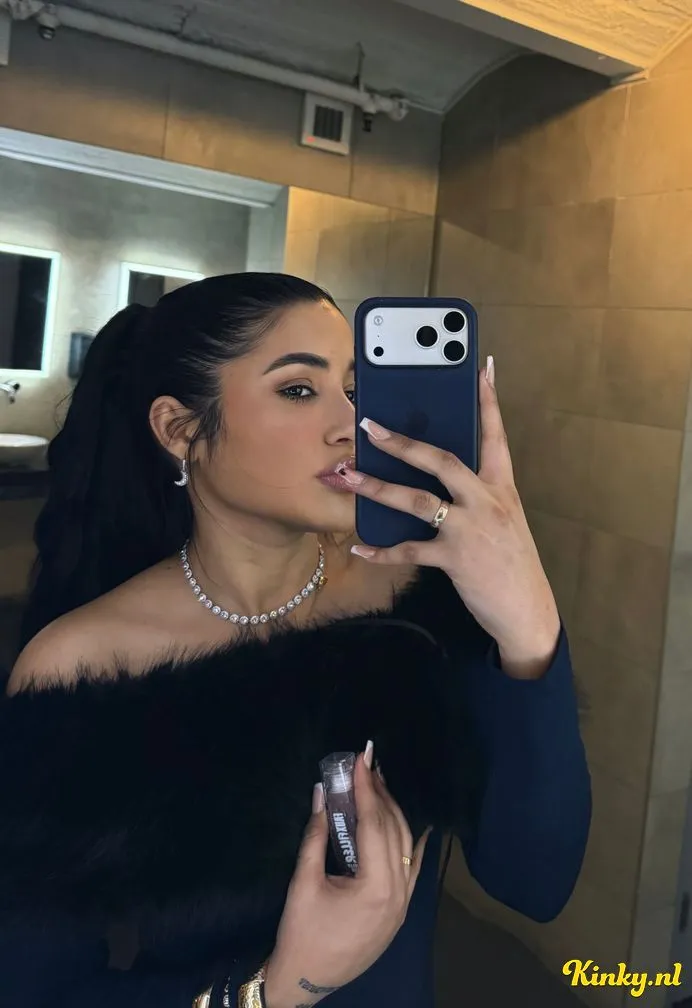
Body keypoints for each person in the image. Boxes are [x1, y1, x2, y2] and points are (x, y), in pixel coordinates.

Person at [0, 273, 591, 1008]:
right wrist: (278, 986)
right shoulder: (84, 668)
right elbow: (36, 989)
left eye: (354, 388)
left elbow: (536, 882)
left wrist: (528, 618)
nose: (352, 423)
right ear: (179, 430)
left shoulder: (414, 606)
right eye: (299, 390)